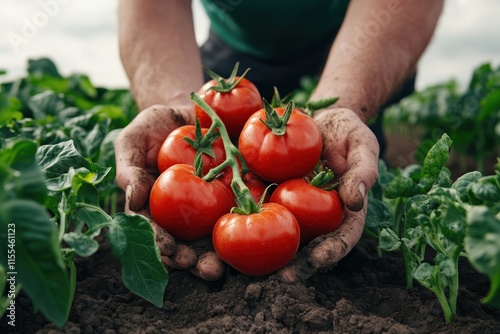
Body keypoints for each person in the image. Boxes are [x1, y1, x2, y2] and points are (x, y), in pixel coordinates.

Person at [114, 0, 444, 282]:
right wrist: (173, 100)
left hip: (359, 42)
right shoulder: (208, 142)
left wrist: (345, 104)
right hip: (233, 48)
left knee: (350, 165)